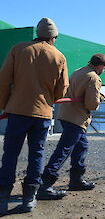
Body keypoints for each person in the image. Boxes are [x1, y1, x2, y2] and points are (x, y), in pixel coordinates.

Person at [0, 18, 69, 214]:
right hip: (42, 114)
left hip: (17, 111)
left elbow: (4, 81)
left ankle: (3, 196)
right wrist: (49, 100)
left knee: (10, 153)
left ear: (37, 34)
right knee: (36, 154)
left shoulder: (18, 49)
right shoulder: (59, 56)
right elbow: (62, 89)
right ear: (53, 37)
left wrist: (4, 105)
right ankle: (29, 198)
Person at [37, 53, 105, 200]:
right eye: (104, 67)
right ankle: (45, 183)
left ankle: (76, 180)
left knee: (81, 146)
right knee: (64, 150)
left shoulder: (78, 71)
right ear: (100, 66)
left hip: (66, 114)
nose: (103, 70)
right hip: (77, 117)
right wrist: (100, 98)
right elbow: (91, 104)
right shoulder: (94, 78)